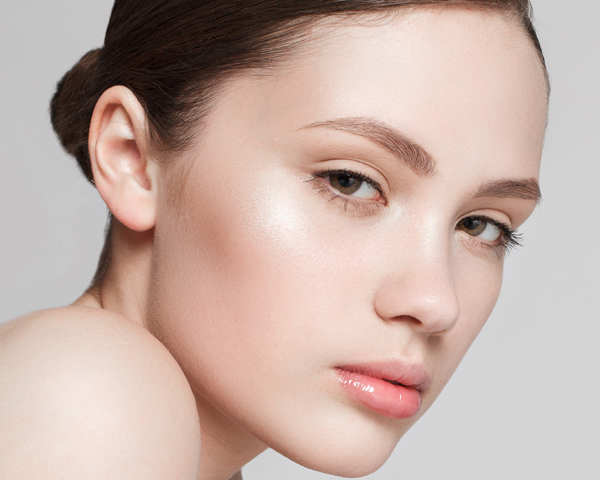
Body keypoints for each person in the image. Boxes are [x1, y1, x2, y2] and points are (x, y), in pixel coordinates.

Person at [0, 1, 549, 479]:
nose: (436, 303)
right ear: (133, 160)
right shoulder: (85, 389)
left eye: (481, 225)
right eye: (349, 181)